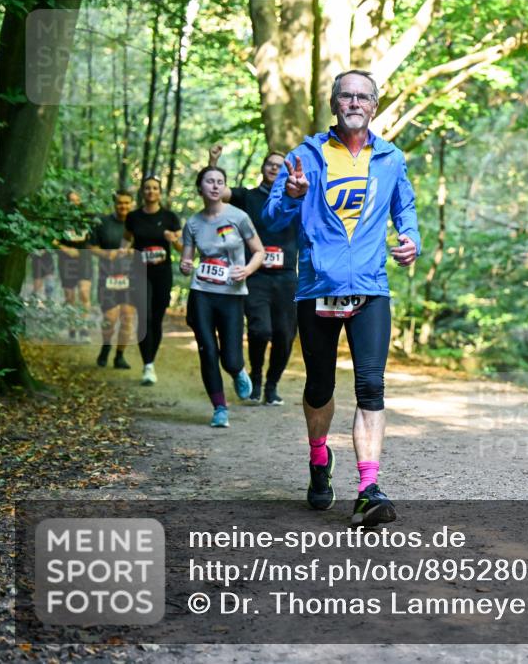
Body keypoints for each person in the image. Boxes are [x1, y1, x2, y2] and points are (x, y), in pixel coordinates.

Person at [264, 69, 420, 527]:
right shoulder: (305, 156)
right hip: (318, 288)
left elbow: (405, 208)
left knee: (371, 386)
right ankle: (319, 457)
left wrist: (410, 238)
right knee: (320, 387)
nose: (354, 103)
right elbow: (272, 219)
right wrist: (291, 196)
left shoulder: (390, 158)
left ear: (374, 106)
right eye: (346, 96)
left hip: (370, 287)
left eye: (363, 97)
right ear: (333, 104)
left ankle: (368, 489)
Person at [207, 145, 293, 406]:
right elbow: (217, 192)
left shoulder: (296, 198)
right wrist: (213, 162)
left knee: (284, 335)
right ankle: (255, 379)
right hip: (255, 275)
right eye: (270, 164)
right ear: (263, 168)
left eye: (280, 165)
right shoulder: (248, 196)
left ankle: (272, 386)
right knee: (260, 330)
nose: (274, 168)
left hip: (287, 277)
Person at [179, 166, 265, 427]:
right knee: (207, 350)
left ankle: (237, 370)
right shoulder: (193, 223)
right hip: (202, 293)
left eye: (220, 181)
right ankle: (219, 408)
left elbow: (259, 251)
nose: (215, 186)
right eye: (210, 181)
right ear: (200, 188)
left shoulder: (239, 217)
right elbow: (186, 259)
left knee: (230, 357)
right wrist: (185, 265)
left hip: (231, 294)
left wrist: (247, 270)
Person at [126, 175, 181, 386]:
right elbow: (127, 239)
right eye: (147, 188)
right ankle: (148, 365)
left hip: (162, 274)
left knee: (156, 319)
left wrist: (173, 240)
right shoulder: (133, 217)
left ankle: (151, 360)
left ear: (160, 192)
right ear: (142, 192)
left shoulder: (170, 217)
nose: (151, 191)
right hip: (139, 272)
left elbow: (181, 247)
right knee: (145, 316)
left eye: (155, 188)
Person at [88, 190, 137, 369]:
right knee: (110, 318)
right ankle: (106, 346)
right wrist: (107, 254)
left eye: (126, 203)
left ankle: (119, 356)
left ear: (132, 204)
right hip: (107, 277)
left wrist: (133, 252)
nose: (123, 206)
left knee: (127, 318)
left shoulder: (138, 223)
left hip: (131, 278)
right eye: (120, 203)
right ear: (114, 204)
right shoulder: (103, 222)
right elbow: (90, 246)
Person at [56, 190, 93, 337]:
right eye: (71, 200)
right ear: (67, 202)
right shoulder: (61, 220)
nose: (75, 203)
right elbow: (52, 239)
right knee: (69, 297)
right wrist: (67, 250)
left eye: (77, 200)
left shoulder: (87, 219)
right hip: (66, 262)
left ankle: (84, 327)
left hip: (84, 260)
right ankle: (72, 326)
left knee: (84, 293)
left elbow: (95, 238)